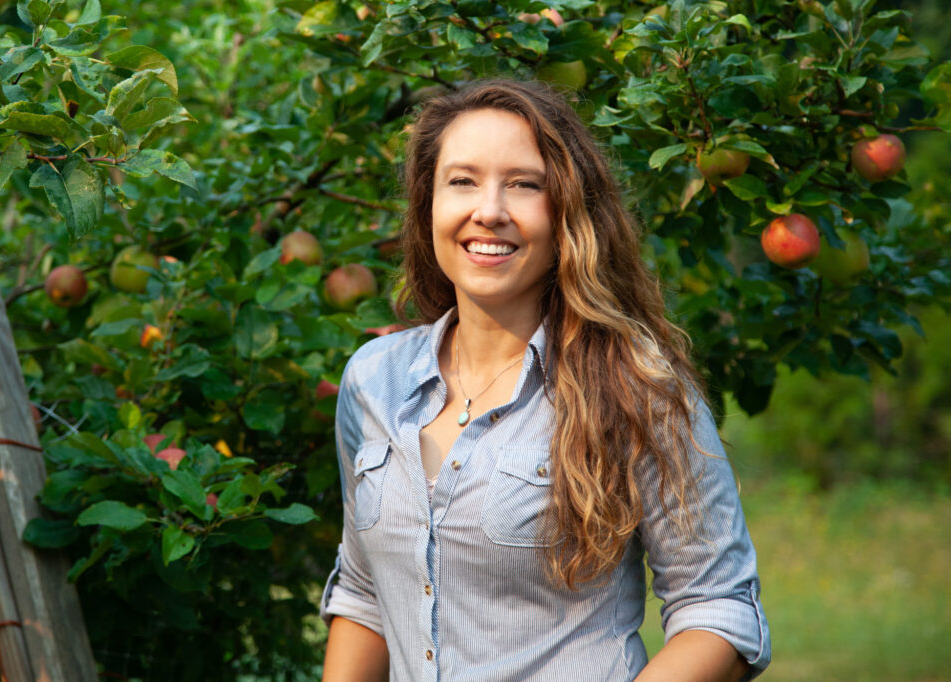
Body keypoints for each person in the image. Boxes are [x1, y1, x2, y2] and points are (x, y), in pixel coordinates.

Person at [319, 79, 770, 681]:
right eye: (462, 181)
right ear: (428, 202)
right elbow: (365, 594)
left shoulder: (634, 384)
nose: (490, 210)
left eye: (524, 184)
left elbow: (719, 609)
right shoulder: (373, 381)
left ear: (567, 212)